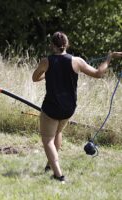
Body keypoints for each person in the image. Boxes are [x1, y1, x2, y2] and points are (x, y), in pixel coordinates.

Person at [32, 31, 122, 183]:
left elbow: (35, 78)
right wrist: (109, 58)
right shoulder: (77, 61)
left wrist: (48, 72)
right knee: (58, 132)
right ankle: (50, 165)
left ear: (52, 45)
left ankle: (59, 175)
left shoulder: (45, 61)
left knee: (47, 139)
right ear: (66, 44)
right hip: (69, 107)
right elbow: (99, 73)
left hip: (51, 107)